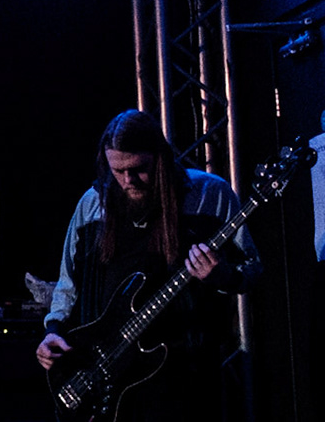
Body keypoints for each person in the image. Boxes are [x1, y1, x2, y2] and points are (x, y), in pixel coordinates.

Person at [34, 109, 259, 420]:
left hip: (184, 377)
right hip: (106, 375)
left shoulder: (210, 194)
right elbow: (67, 284)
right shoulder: (92, 203)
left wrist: (220, 275)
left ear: (160, 158)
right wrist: (53, 331)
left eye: (139, 169)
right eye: (117, 170)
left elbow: (252, 268)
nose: (128, 180)